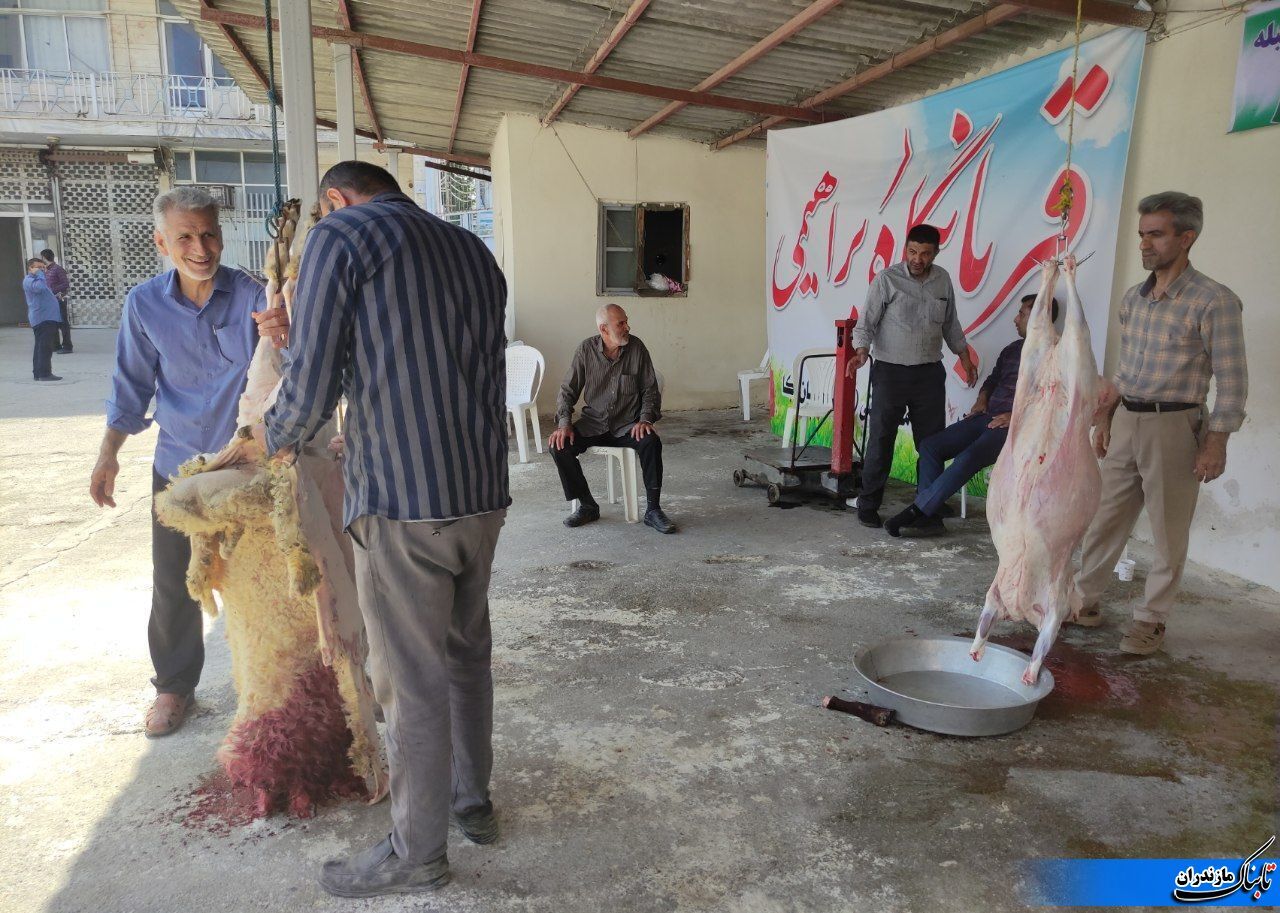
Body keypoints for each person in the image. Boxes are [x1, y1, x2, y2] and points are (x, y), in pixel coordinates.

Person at [262, 161, 510, 899]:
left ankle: (418, 851)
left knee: (411, 681)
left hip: (406, 499)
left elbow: (313, 382)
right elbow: (435, 367)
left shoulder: (344, 236)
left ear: (338, 199)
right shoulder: (472, 249)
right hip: (480, 495)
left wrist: (278, 432)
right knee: (466, 656)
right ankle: (473, 801)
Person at [88, 186, 288, 738]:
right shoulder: (144, 304)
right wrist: (109, 455)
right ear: (161, 242)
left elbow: (284, 375)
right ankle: (174, 687)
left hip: (246, 471)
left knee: (262, 583)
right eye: (185, 237)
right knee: (174, 583)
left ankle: (278, 689)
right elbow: (130, 384)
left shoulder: (255, 296)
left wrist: (286, 335)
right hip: (178, 469)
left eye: (209, 234)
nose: (200, 247)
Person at [1073, 192, 1247, 656]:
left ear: (1186, 238)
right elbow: (1127, 369)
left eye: (1156, 234)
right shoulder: (1136, 298)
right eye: (1142, 234)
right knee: (1105, 517)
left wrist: (1217, 442)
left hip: (1176, 426)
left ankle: (1151, 620)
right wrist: (1106, 416)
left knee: (1168, 530)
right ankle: (1083, 600)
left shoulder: (1214, 301)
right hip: (1127, 419)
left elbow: (1232, 381)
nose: (1145, 244)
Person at [883, 293, 1060, 537]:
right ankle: (931, 515)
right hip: (988, 417)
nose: (1015, 319)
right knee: (931, 446)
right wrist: (982, 399)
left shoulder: (1056, 355)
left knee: (968, 457)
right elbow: (993, 379)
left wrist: (1015, 415)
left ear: (1040, 318)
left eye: (1022, 314)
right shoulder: (1012, 350)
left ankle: (918, 512)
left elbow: (1053, 398)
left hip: (1018, 426)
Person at [846, 223, 978, 527]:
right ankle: (868, 503)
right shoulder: (887, 280)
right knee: (881, 439)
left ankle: (928, 502)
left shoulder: (942, 280)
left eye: (925, 253)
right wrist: (862, 352)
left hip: (929, 375)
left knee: (931, 444)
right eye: (913, 251)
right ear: (906, 249)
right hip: (891, 372)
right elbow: (866, 324)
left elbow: (951, 324)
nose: (917, 258)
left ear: (935, 253)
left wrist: (965, 358)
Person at [550, 303, 676, 534]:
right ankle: (588, 505)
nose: (628, 326)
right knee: (559, 446)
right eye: (621, 323)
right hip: (593, 424)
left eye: (626, 321)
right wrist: (564, 424)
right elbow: (567, 391)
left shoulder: (637, 348)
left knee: (651, 442)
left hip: (627, 425)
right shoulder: (585, 351)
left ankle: (653, 510)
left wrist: (645, 420)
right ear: (604, 329)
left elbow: (650, 389)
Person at [23, 258, 62, 382]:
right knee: (45, 347)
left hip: (47, 317)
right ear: (30, 268)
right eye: (38, 267)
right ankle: (44, 374)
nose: (42, 270)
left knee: (41, 346)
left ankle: (38, 372)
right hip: (42, 318)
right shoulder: (29, 280)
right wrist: (40, 274)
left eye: (43, 267)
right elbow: (39, 289)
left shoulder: (39, 280)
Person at [41, 248, 72, 354]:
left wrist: (52, 291)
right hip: (50, 301)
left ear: (44, 258)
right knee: (52, 322)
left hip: (59, 299)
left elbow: (65, 284)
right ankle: (56, 345)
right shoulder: (46, 270)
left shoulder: (58, 269)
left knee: (63, 323)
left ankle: (67, 346)